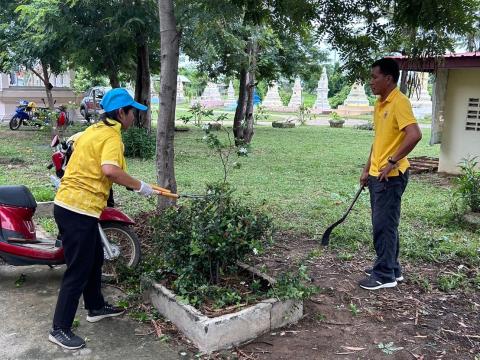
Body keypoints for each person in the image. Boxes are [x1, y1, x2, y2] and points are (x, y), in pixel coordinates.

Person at [49, 88, 154, 349]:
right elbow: (110, 170)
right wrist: (140, 185)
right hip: (77, 209)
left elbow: (91, 162)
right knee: (78, 269)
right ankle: (59, 328)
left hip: (73, 205)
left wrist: (134, 185)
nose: (134, 118)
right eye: (132, 113)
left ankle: (95, 306)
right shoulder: (111, 137)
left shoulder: (94, 130)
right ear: (121, 112)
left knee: (96, 256)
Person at [358, 58, 422, 291]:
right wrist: (367, 169)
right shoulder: (380, 104)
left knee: (383, 225)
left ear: (388, 78)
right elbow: (379, 141)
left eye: (375, 77)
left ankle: (384, 274)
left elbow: (414, 134)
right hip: (377, 174)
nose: (371, 81)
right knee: (386, 223)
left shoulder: (399, 102)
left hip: (391, 176)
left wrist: (392, 162)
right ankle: (391, 267)